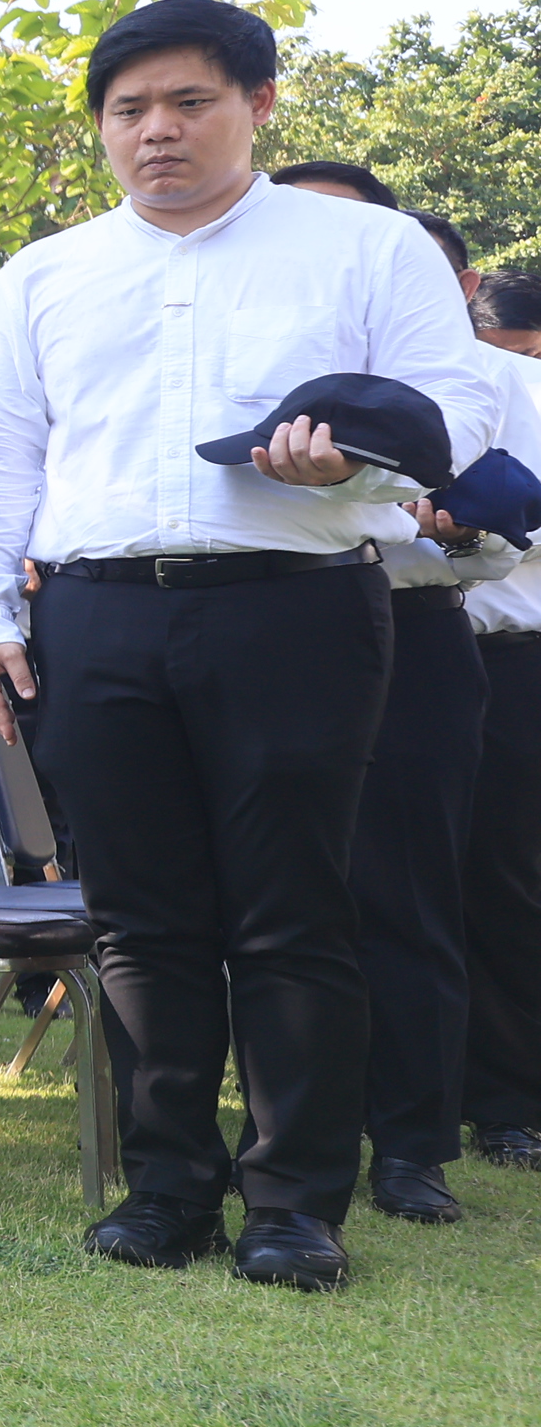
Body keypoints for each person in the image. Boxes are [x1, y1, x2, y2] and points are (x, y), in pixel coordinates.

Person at [0, 0, 498, 1291]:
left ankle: (295, 1203)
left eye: (188, 102)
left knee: (293, 911)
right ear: (102, 126)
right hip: (95, 611)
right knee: (139, 919)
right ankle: (166, 1190)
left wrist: (351, 469)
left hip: (296, 607)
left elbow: (456, 413)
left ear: (258, 104)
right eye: (128, 109)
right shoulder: (46, 273)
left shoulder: (365, 248)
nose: (157, 131)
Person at [271, 187, 516, 1223]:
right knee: (271, 898)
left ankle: (413, 1144)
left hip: (409, 630)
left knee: (409, 896)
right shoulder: (243, 344)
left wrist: (450, 522)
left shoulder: (484, 378)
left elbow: (498, 544)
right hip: (257, 626)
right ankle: (273, 1132)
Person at [460, 269, 541, 1178]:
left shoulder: (519, 386)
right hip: (378, 648)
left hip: (510, 659)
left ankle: (510, 1100)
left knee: (505, 881)